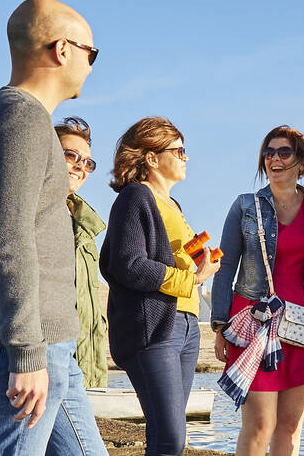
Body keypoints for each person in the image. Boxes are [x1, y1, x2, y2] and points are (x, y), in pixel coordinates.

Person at [0, 0, 110, 455]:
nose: (92, 67)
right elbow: (8, 242)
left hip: (47, 345)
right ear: (62, 50)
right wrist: (25, 352)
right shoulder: (23, 120)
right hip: (21, 347)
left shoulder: (1, 114)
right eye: (90, 54)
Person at [209, 126, 304, 455]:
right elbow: (225, 267)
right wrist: (219, 324)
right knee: (260, 424)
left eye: (283, 152)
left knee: (289, 426)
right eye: (268, 153)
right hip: (254, 322)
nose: (274, 158)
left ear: (301, 161)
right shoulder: (244, 207)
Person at [100, 116, 219, 456]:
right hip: (155, 328)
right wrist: (192, 279)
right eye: (178, 150)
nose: (185, 156)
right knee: (169, 437)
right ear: (151, 158)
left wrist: (199, 264)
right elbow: (127, 264)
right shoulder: (135, 196)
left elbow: (164, 259)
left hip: (186, 326)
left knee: (170, 437)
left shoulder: (174, 206)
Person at [56, 115, 110, 389]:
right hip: (39, 367)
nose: (81, 166)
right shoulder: (26, 206)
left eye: (88, 162)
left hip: (83, 373)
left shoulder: (83, 227)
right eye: (71, 155)